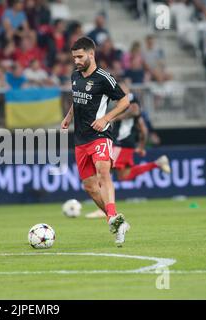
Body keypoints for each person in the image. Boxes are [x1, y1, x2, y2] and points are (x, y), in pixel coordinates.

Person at [60, 37, 131, 247]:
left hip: (100, 134)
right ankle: (116, 220)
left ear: (91, 54)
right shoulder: (75, 76)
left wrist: (106, 118)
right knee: (90, 187)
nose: (76, 61)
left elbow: (124, 101)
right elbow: (77, 99)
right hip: (80, 139)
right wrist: (68, 116)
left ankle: (111, 215)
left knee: (103, 172)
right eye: (74, 57)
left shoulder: (104, 78)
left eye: (80, 56)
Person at [86, 89, 172, 219]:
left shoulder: (129, 102)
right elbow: (143, 129)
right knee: (123, 176)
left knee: (102, 173)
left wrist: (111, 117)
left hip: (120, 144)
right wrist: (141, 146)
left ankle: (103, 209)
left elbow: (135, 111)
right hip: (125, 146)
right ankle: (157, 164)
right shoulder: (130, 111)